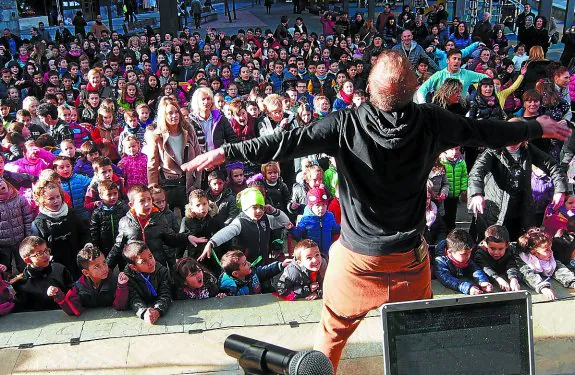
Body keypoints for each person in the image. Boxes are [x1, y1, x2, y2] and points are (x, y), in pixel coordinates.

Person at [180, 50, 572, 371]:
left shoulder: (344, 124)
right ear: (416, 90)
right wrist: (534, 127)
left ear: (367, 88)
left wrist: (225, 152)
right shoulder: (433, 122)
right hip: (409, 264)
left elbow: (285, 142)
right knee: (418, 342)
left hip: (356, 263)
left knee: (329, 339)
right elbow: (487, 131)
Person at [468, 118, 568, 242]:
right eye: (511, 136)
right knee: (491, 243)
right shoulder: (494, 151)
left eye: (518, 136)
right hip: (496, 210)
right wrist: (477, 193)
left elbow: (552, 165)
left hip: (521, 210)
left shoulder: (528, 150)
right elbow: (476, 172)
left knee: (518, 244)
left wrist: (560, 190)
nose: (514, 140)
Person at [147, 96, 202, 213]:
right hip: (168, 185)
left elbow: (199, 158)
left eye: (176, 112)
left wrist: (196, 184)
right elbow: (152, 165)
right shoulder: (157, 136)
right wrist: (154, 189)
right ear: (163, 116)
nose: (174, 115)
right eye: (170, 113)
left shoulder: (189, 130)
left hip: (188, 184)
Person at [49, 243, 129, 316]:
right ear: (86, 272)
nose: (104, 268)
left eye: (104, 262)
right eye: (97, 266)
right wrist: (58, 295)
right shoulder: (79, 286)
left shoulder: (115, 280)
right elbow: (74, 310)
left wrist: (122, 287)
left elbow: (120, 306)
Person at [12, 236, 74, 311]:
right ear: (28, 260)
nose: (46, 255)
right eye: (40, 253)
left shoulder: (60, 269)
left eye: (46, 250)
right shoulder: (22, 283)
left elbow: (73, 294)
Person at [515, 228, 575, 301]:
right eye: (547, 250)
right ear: (534, 252)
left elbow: (559, 269)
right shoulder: (524, 260)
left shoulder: (549, 257)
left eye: (550, 248)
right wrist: (543, 287)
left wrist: (572, 281)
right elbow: (528, 275)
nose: (551, 251)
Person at [123, 241, 171, 324]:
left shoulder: (162, 271)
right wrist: (144, 313)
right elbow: (134, 300)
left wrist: (157, 311)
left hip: (157, 306)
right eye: (143, 261)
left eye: (150, 256)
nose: (151, 262)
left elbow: (165, 294)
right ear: (133, 267)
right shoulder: (128, 278)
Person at [434, 229, 494, 295]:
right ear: (450, 252)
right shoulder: (440, 261)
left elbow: (474, 269)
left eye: (470, 252)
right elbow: (445, 278)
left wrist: (482, 282)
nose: (468, 256)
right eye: (463, 254)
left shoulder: (465, 255)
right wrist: (467, 287)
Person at [416, 49, 487, 103]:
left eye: (459, 59)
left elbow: (488, 79)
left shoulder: (467, 74)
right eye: (454, 58)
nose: (457, 61)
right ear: (447, 60)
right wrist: (423, 104)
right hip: (441, 111)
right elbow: (422, 90)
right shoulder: (439, 75)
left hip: (460, 112)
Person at [218, 248, 289, 296]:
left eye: (246, 261)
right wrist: (222, 296)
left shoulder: (252, 272)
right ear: (235, 273)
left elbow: (265, 271)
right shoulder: (230, 288)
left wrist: (281, 265)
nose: (249, 263)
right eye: (244, 264)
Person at [292, 188, 340, 255]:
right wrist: (291, 228)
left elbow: (335, 229)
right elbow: (297, 234)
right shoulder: (306, 219)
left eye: (323, 204)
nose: (321, 208)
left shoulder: (329, 216)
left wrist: (344, 227)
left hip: (327, 252)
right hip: (313, 254)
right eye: (317, 205)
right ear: (311, 207)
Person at [0, 177, 33, 273]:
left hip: (20, 241)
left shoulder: (19, 198)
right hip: (3, 245)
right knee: (5, 270)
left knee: (24, 267)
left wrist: (28, 237)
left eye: (1, 181)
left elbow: (27, 218)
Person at [474, 224, 521, 291]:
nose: (496, 253)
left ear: (507, 245)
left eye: (500, 249)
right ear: (485, 244)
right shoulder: (480, 254)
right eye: (492, 248)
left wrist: (513, 278)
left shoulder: (509, 251)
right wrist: (498, 279)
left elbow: (511, 264)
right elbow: (485, 268)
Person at [89, 180, 129, 256]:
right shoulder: (97, 212)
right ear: (101, 196)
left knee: (123, 265)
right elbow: (94, 231)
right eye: (109, 194)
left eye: (115, 193)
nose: (113, 197)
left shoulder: (123, 208)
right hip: (105, 247)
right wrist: (96, 246)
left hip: (123, 245)